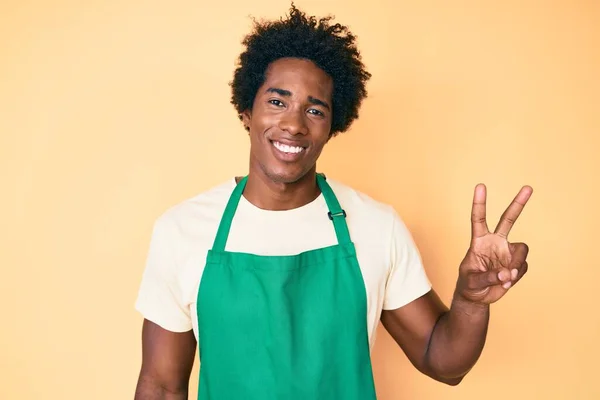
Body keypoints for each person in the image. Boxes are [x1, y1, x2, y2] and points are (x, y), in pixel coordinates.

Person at [133, 4, 533, 399]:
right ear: (246, 112)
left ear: (332, 127)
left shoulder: (377, 226)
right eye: (277, 101)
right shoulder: (183, 229)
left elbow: (444, 364)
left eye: (315, 109)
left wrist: (469, 302)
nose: (294, 123)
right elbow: (162, 386)